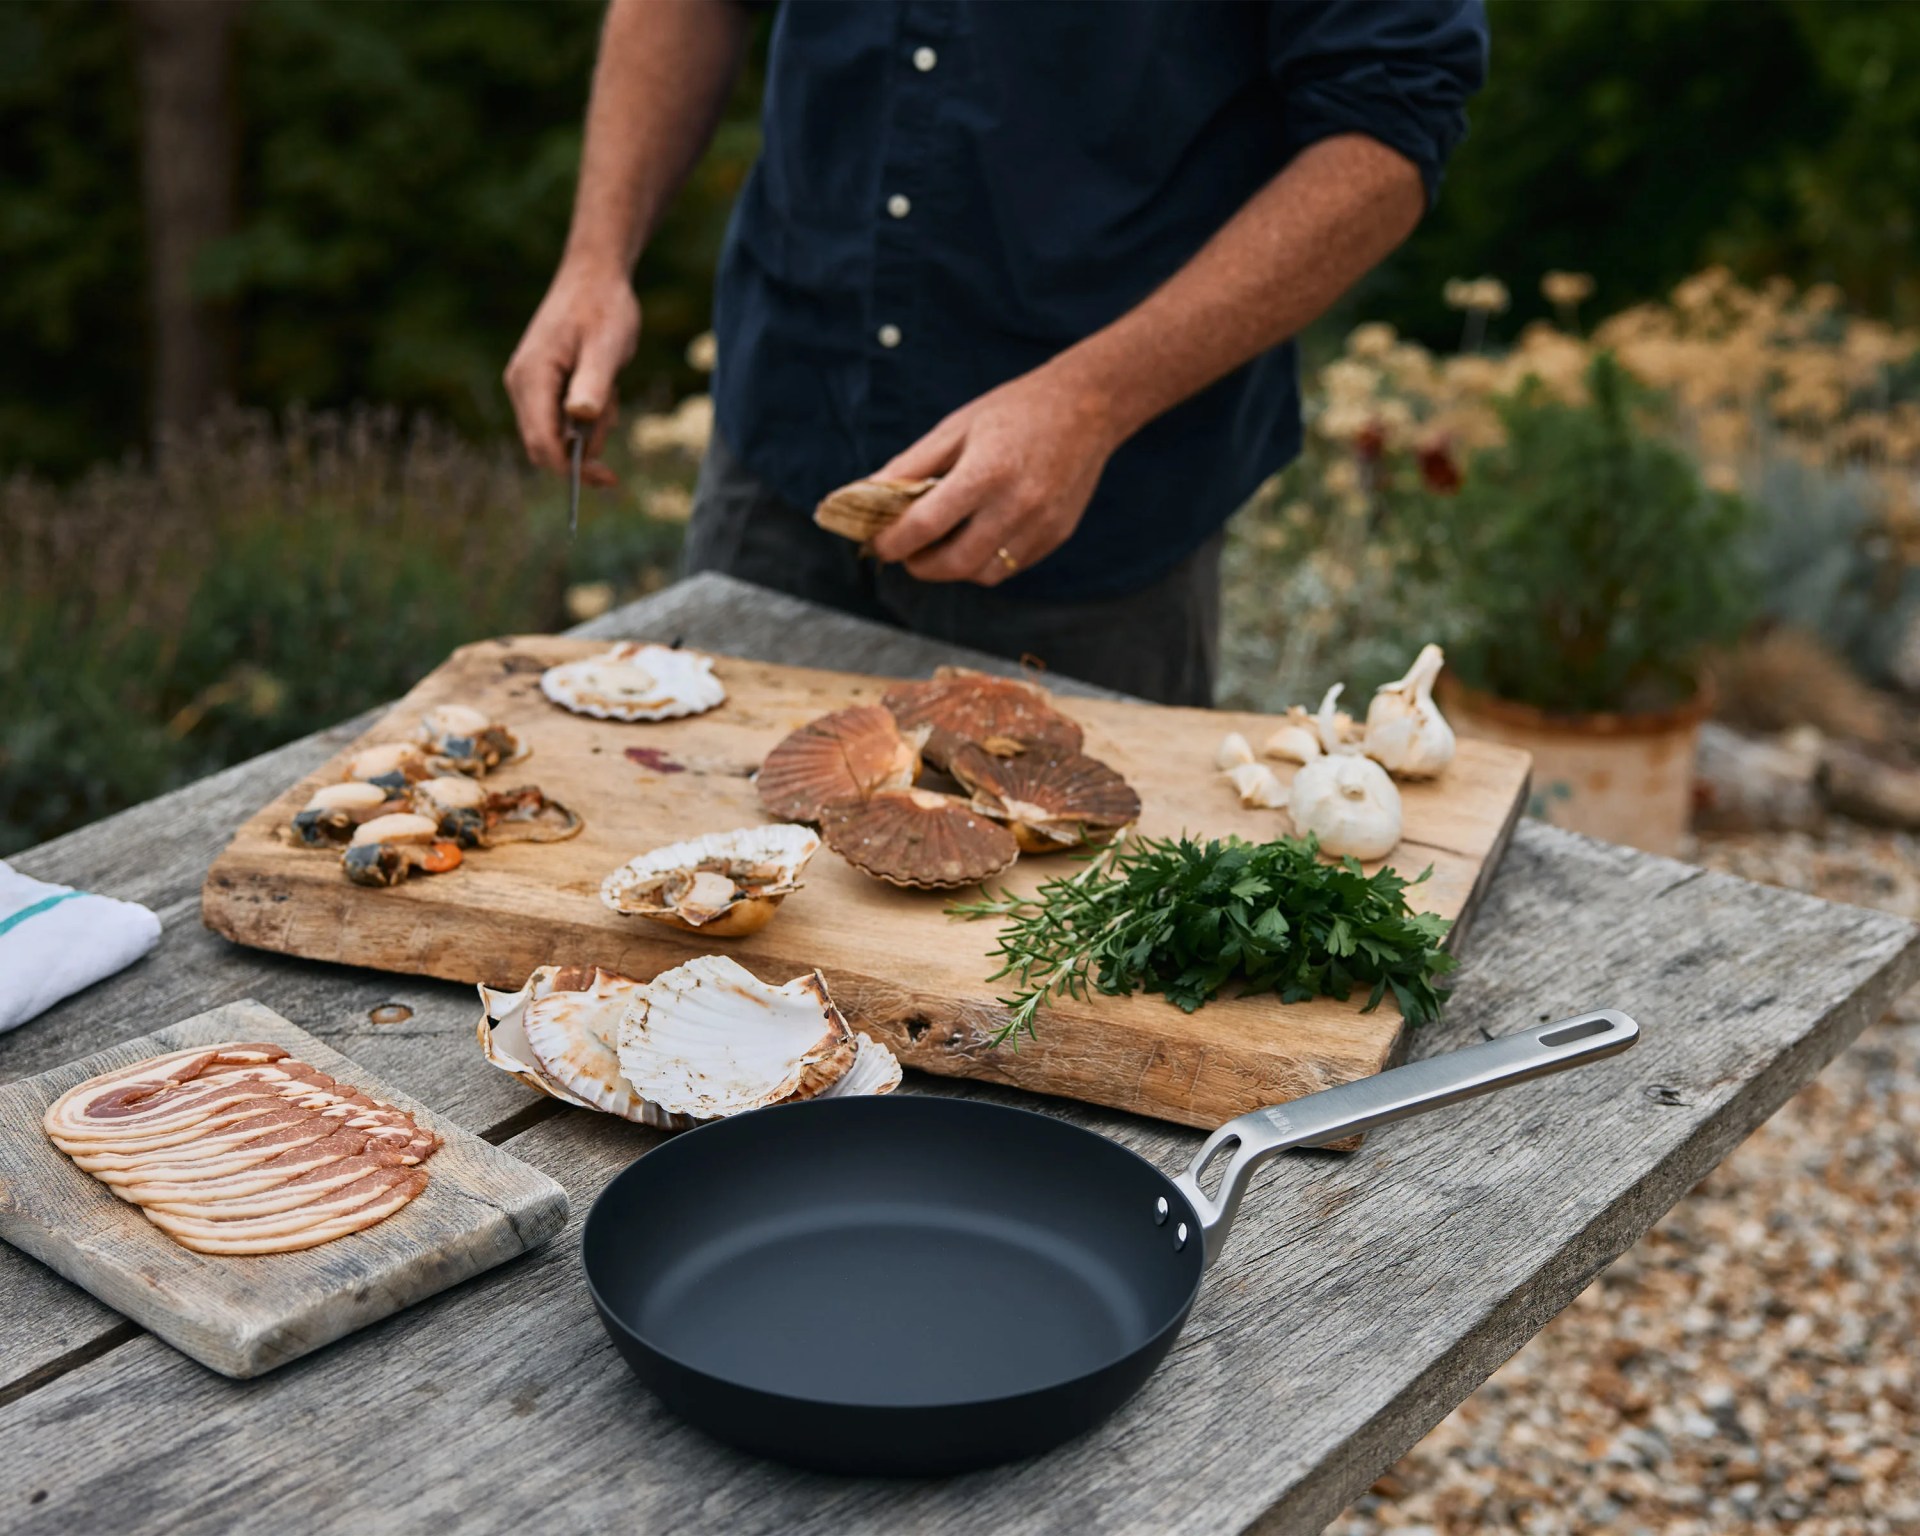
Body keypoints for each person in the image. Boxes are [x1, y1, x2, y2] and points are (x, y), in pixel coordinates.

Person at [506, 0, 1487, 704]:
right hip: (787, 436)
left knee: (1040, 959)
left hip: (1096, 526)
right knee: (700, 890)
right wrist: (597, 257)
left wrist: (1093, 401)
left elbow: (1387, 129)